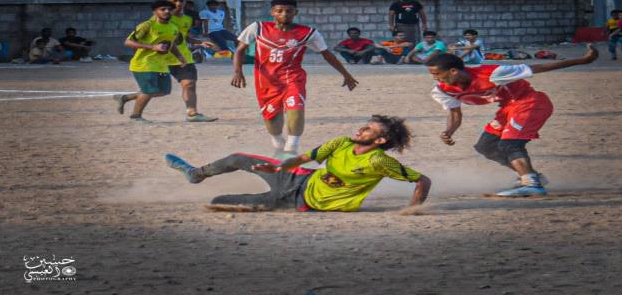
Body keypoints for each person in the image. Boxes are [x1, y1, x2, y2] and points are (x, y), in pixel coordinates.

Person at [426, 45, 599, 197]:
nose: (435, 78)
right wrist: (449, 131)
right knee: (486, 146)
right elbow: (455, 113)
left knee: (510, 144)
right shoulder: (442, 90)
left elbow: (540, 67)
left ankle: (532, 185)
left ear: (453, 71)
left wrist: (583, 60)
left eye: (437, 74)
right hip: (507, 109)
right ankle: (530, 175)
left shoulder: (493, 73)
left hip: (529, 103)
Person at [165, 115, 431, 212]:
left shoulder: (379, 160)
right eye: (364, 126)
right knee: (237, 158)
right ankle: (196, 173)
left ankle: (208, 183)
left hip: (301, 202)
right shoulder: (341, 142)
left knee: (218, 200)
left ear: (381, 139)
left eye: (368, 129)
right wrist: (278, 168)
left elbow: (422, 180)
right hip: (297, 178)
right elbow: (305, 158)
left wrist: (413, 210)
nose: (361, 129)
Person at [231, 0, 359, 155]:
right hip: (266, 81)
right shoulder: (258, 27)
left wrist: (346, 75)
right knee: (272, 121)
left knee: (296, 107)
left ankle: (292, 147)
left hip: (292, 78)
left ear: (295, 13)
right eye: (279, 11)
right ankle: (278, 142)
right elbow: (239, 49)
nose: (284, 14)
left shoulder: (308, 33)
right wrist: (238, 71)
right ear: (272, 12)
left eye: (289, 11)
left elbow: (327, 54)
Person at [114, 0, 186, 122]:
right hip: (144, 63)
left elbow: (172, 44)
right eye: (163, 9)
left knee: (163, 91)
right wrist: (152, 47)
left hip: (161, 64)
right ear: (155, 11)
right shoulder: (147, 25)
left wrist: (180, 57)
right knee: (149, 91)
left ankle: (125, 98)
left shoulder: (173, 27)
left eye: (169, 9)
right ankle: (135, 117)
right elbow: (128, 42)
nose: (167, 11)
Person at [163, 0, 219, 122]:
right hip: (161, 59)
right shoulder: (160, 19)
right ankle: (129, 99)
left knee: (189, 83)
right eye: (174, 1)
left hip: (184, 57)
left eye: (181, 1)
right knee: (157, 91)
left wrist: (200, 42)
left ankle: (192, 113)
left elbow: (184, 36)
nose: (178, 3)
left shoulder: (187, 19)